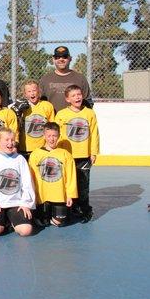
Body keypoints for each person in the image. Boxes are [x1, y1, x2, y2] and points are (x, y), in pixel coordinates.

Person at [55, 84, 100, 222]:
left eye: (79, 94)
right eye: (73, 95)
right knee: (67, 184)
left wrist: (93, 152)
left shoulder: (89, 113)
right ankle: (68, 210)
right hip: (67, 155)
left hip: (84, 156)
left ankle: (84, 210)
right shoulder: (62, 114)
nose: (77, 97)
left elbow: (94, 133)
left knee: (83, 185)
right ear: (67, 99)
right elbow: (57, 135)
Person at [28, 122, 77, 227]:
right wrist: (33, 195)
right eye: (49, 136)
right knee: (41, 223)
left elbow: (71, 177)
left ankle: (54, 215)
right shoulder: (35, 154)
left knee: (59, 222)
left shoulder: (65, 154)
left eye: (54, 136)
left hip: (59, 195)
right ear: (44, 136)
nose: (51, 139)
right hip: (41, 196)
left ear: (59, 136)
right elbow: (31, 177)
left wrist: (69, 195)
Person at [39, 46, 91, 112]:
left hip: (74, 120)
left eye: (65, 57)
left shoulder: (80, 78)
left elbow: (88, 102)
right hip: (52, 121)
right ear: (53, 59)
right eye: (57, 57)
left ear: (70, 58)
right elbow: (40, 103)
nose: (61, 59)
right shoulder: (45, 79)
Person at [14, 80, 55, 159]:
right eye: (29, 91)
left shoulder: (47, 105)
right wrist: (17, 113)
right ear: (25, 94)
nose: (32, 93)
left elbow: (52, 127)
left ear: (39, 91)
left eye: (34, 90)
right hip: (25, 148)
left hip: (43, 147)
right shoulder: (21, 106)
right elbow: (15, 126)